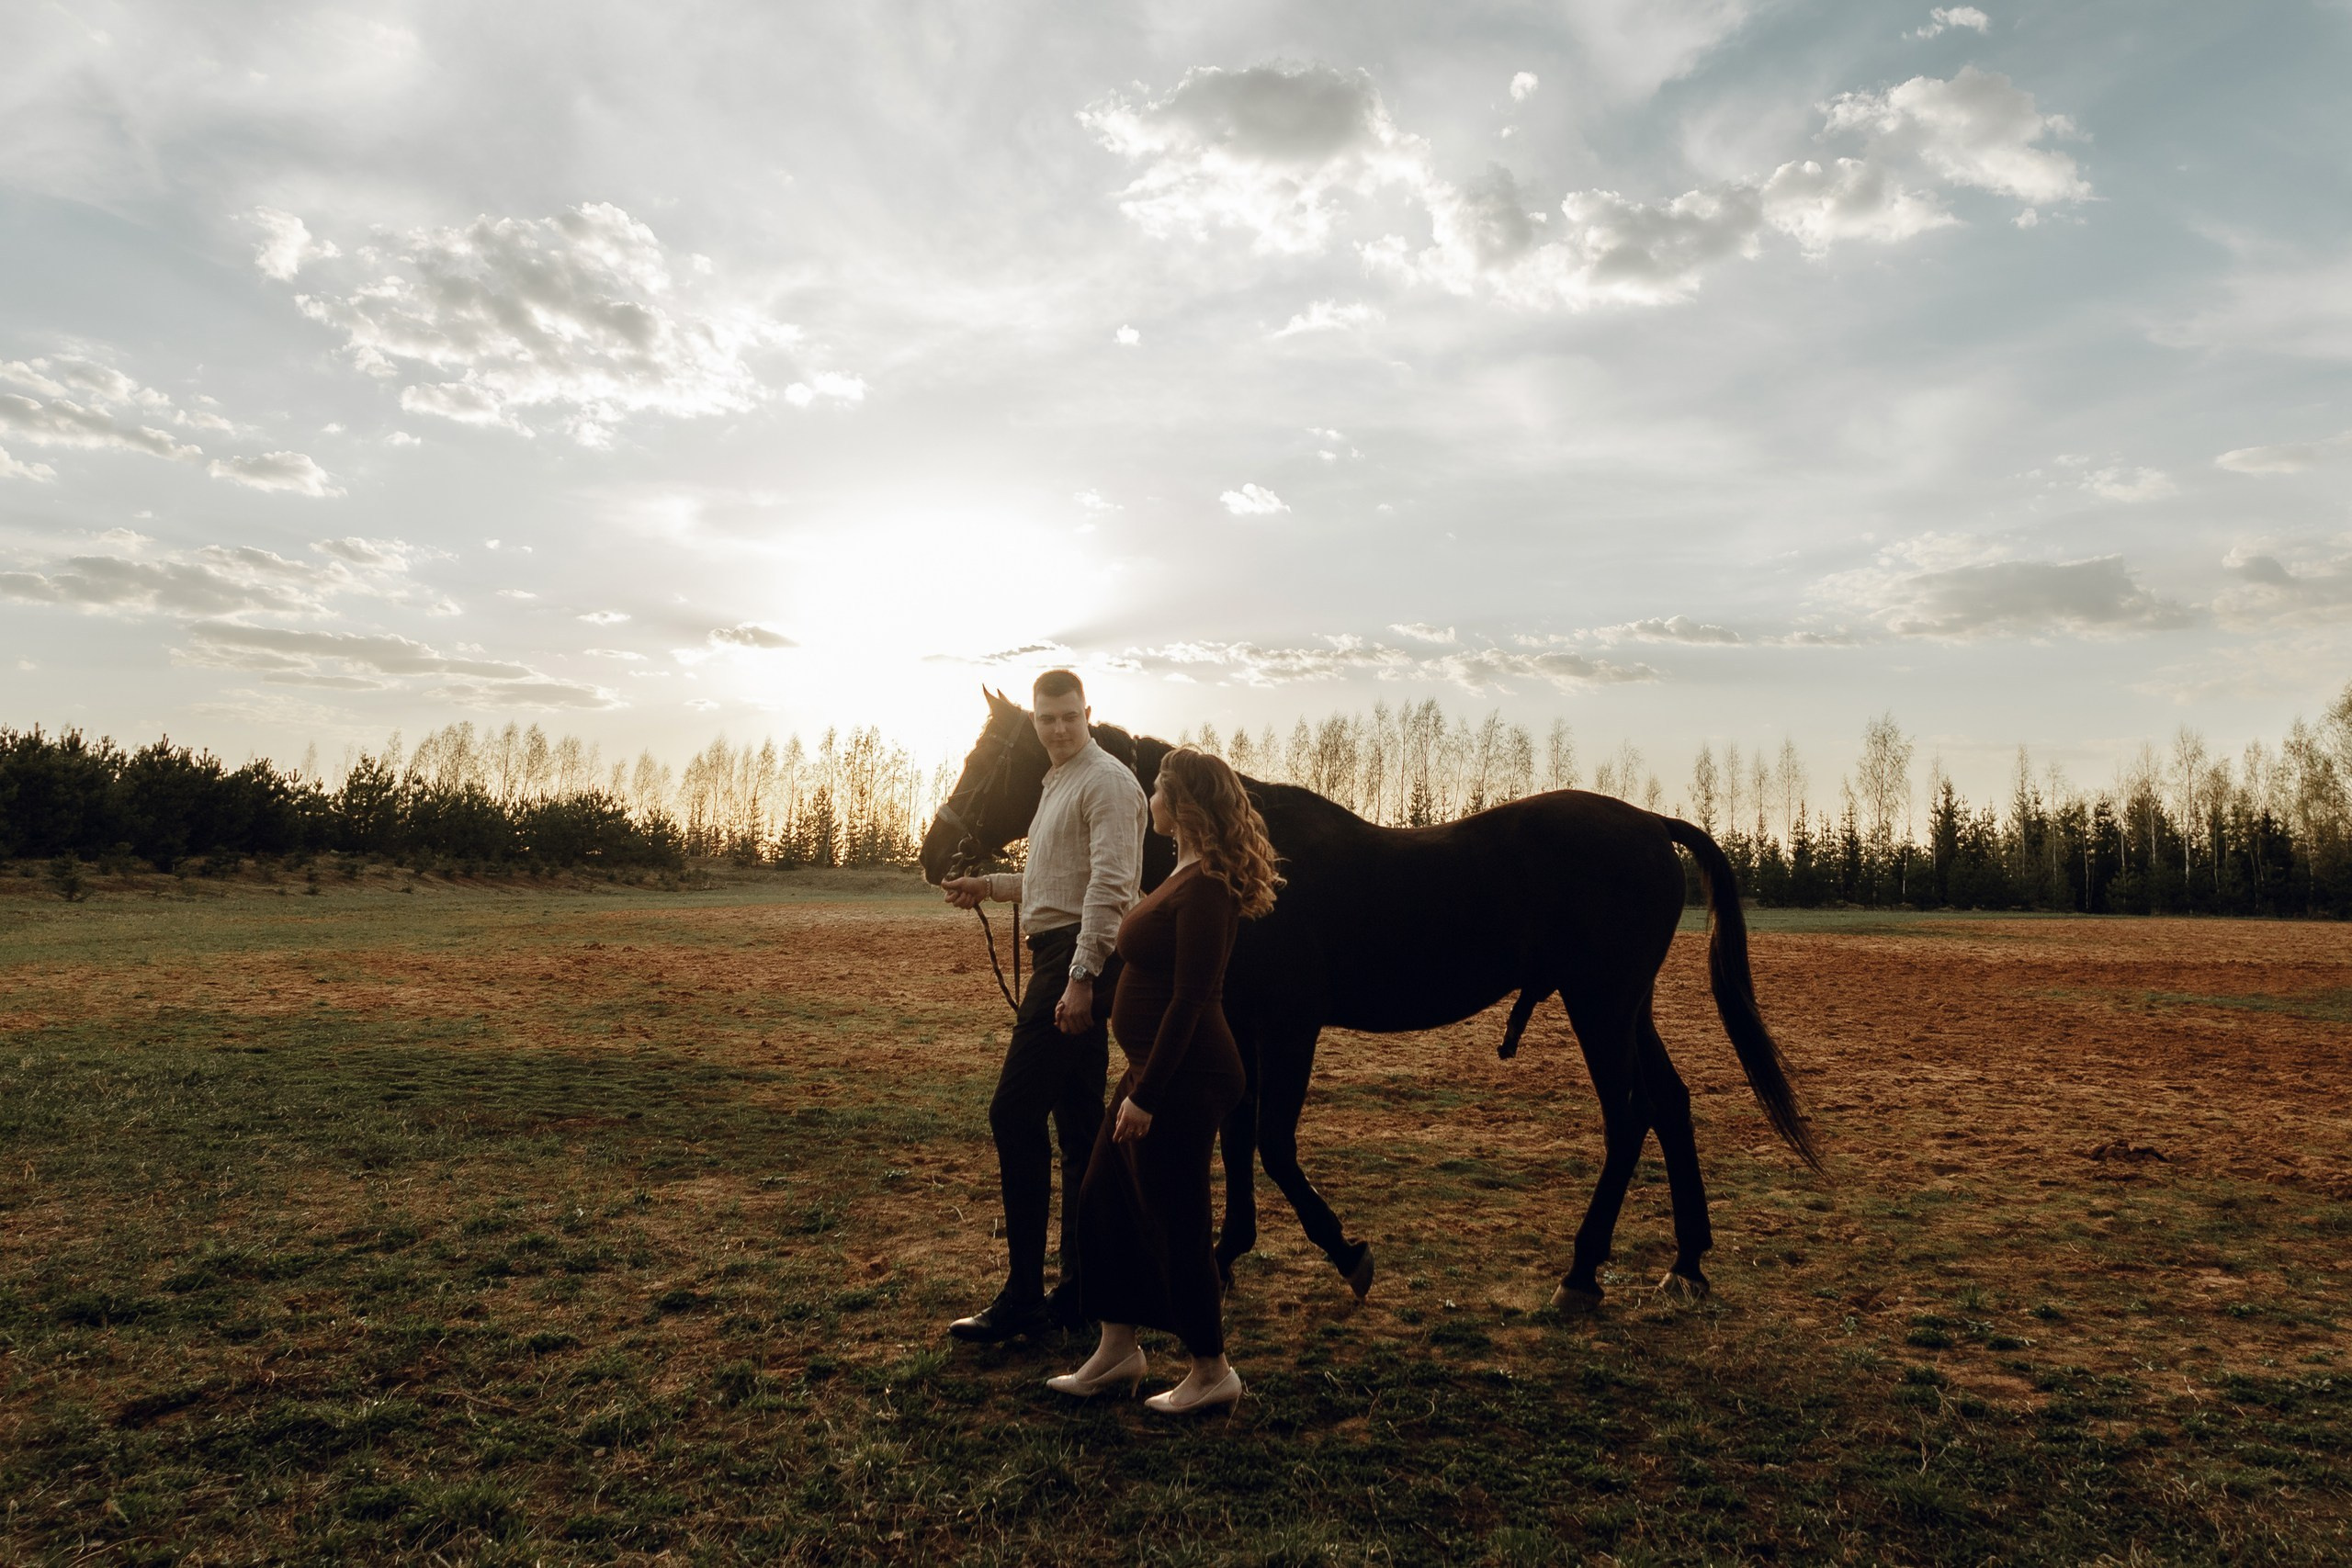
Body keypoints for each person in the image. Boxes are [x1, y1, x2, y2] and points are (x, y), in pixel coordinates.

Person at [1046, 747, 1277, 1416]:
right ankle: (1117, 1348)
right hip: (1152, 1070)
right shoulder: (1179, 872)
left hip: (1183, 1076)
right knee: (1103, 1198)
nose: (1150, 798)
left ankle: (1212, 1368)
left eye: (1158, 789)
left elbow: (1192, 997)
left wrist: (1147, 1095)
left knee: (1176, 1219)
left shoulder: (1206, 886)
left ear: (1183, 805)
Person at [940, 669, 1147, 1342]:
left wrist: (1083, 977)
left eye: (1068, 716)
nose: (1058, 728)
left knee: (1013, 1113)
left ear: (1087, 713)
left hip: (1071, 962)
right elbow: (1054, 878)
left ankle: (1027, 1294)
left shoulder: (1108, 781)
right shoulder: (1058, 781)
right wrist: (990, 885)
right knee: (1081, 1129)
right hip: (1064, 953)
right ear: (1034, 722)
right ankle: (1082, 1292)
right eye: (1046, 718)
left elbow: (1112, 887)